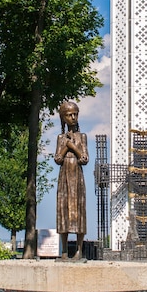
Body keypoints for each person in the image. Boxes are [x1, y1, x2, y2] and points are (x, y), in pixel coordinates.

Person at [54, 101, 88, 261]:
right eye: (69, 115)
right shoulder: (60, 138)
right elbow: (58, 159)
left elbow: (84, 158)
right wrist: (65, 146)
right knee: (63, 211)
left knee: (79, 211)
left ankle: (79, 251)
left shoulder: (82, 137)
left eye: (75, 114)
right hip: (64, 178)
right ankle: (64, 251)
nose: (73, 117)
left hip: (77, 177)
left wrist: (73, 147)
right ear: (63, 118)